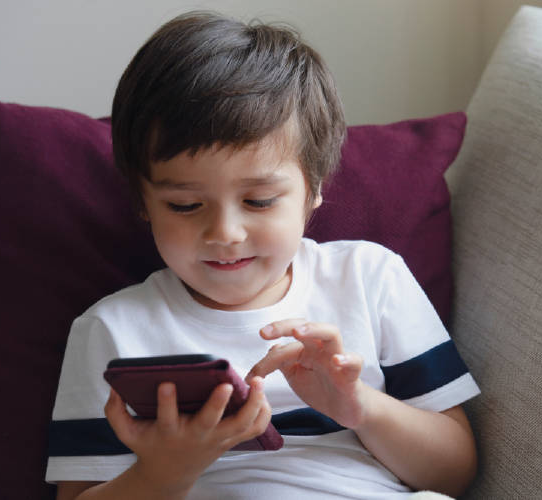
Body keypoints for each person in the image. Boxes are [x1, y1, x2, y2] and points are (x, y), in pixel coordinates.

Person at [45, 11, 480, 500]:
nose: (225, 233)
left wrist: (359, 406)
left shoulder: (368, 277)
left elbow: (454, 473)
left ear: (314, 189)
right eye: (185, 205)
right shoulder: (112, 329)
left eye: (259, 201)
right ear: (142, 202)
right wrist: (163, 472)